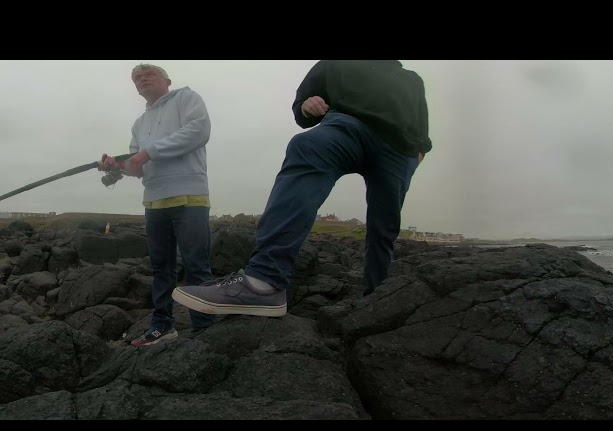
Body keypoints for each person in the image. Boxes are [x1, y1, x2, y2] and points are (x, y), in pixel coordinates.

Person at [171, 60, 432, 317]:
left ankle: (376, 297)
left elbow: (422, 124)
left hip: (398, 149)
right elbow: (301, 109)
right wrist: (307, 107)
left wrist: (419, 154)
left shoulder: (410, 78)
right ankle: (264, 282)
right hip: (345, 127)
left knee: (384, 227)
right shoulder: (334, 64)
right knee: (307, 145)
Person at [99, 63, 217, 346]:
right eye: (136, 79)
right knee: (161, 267)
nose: (141, 80)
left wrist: (148, 152)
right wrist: (117, 166)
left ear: (167, 81)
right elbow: (136, 166)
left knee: (196, 265)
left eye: (148, 75)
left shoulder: (187, 98)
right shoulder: (139, 123)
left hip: (190, 197)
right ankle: (162, 325)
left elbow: (199, 131)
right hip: (154, 201)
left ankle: (205, 327)